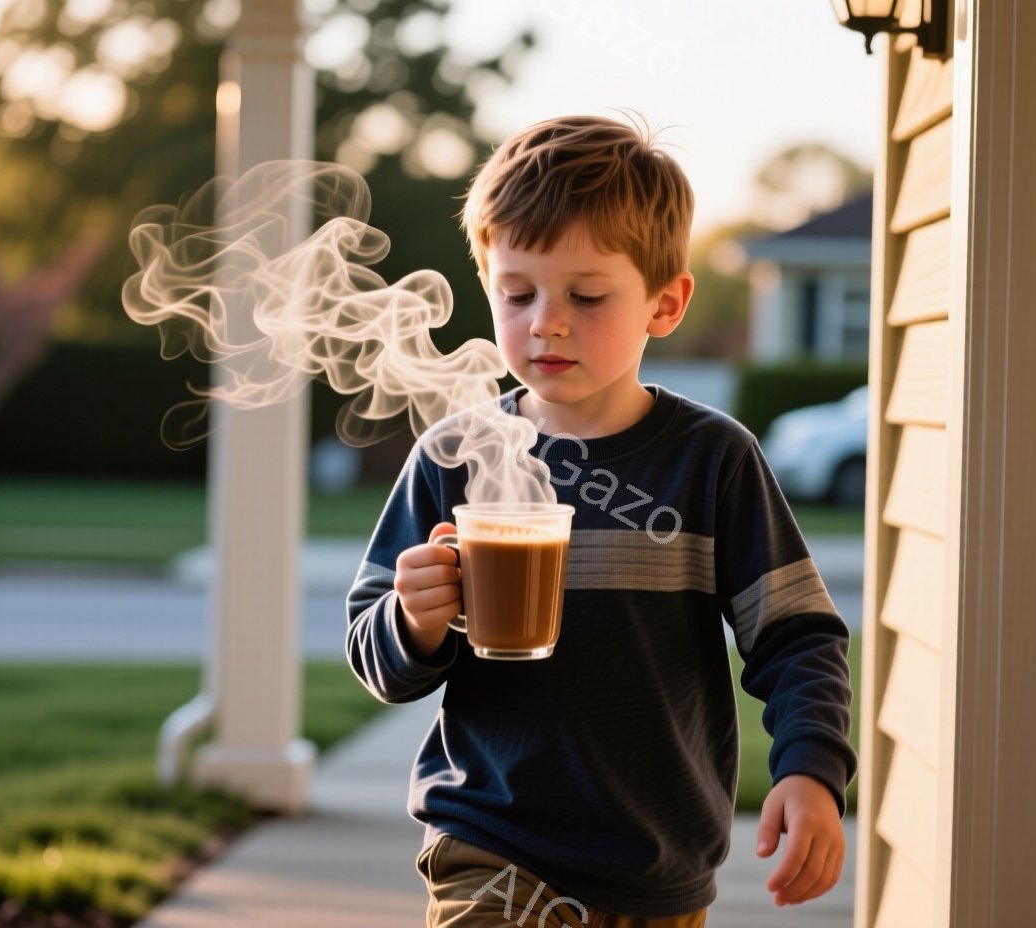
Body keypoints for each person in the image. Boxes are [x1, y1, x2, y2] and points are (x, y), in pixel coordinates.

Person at [345, 113, 856, 928]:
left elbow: (796, 636)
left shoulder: (711, 459)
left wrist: (811, 768)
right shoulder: (454, 453)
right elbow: (377, 656)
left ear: (666, 302)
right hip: (490, 842)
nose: (546, 320)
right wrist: (413, 619)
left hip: (659, 866)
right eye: (517, 293)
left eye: (586, 296)